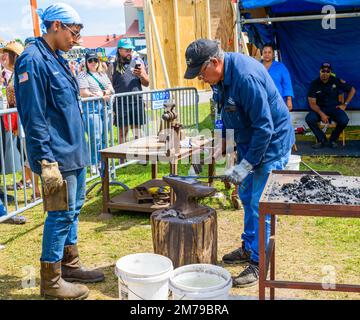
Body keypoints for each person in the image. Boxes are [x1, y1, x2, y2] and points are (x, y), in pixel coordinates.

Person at [184, 39, 294, 287]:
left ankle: (259, 263)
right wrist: (212, 151)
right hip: (248, 141)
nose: (201, 78)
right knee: (245, 195)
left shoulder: (245, 77)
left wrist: (246, 166)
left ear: (214, 62)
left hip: (272, 143)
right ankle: (249, 245)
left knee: (259, 204)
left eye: (202, 72)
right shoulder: (220, 79)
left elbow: (264, 128)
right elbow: (227, 118)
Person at [14, 3, 104, 300]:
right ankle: (51, 282)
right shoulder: (32, 60)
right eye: (74, 32)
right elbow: (34, 115)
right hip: (57, 156)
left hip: (73, 151)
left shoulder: (57, 57)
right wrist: (45, 160)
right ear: (56, 26)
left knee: (73, 210)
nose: (76, 39)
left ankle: (70, 264)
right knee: (60, 214)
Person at [77, 52, 114, 173]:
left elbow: (111, 89)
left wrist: (102, 94)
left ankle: (103, 162)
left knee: (104, 137)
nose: (93, 63)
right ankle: (93, 163)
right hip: (91, 108)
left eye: (95, 60)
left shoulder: (102, 74)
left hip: (106, 108)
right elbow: (83, 92)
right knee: (95, 137)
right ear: (86, 62)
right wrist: (97, 95)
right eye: (90, 61)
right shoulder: (82, 75)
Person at [305, 63, 356, 149]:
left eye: (327, 71)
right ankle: (322, 140)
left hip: (334, 108)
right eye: (323, 71)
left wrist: (345, 104)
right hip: (319, 109)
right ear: (319, 71)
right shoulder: (314, 84)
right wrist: (322, 114)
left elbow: (352, 90)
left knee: (344, 120)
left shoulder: (336, 80)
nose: (325, 73)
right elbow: (312, 103)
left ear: (330, 72)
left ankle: (333, 139)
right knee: (309, 119)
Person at [112, 38, 149, 142]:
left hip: (136, 102)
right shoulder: (112, 66)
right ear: (120, 50)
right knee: (122, 132)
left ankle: (141, 157)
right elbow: (110, 84)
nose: (130, 53)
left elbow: (147, 83)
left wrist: (141, 74)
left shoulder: (138, 63)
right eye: (127, 50)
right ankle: (122, 158)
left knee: (137, 132)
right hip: (121, 103)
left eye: (131, 50)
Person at [262, 43, 294, 111]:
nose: (267, 54)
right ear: (262, 53)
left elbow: (287, 84)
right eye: (265, 52)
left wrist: (289, 100)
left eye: (269, 52)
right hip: (262, 101)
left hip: (278, 101)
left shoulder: (281, 67)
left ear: (273, 54)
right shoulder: (257, 66)